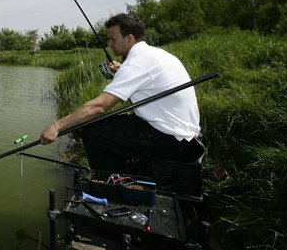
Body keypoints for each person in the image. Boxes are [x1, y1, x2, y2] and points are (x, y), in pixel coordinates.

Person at [40, 13, 202, 175]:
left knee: (91, 130)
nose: (109, 44)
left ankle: (112, 184)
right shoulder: (155, 54)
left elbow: (99, 106)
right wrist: (122, 70)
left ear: (130, 38)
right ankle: (125, 173)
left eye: (113, 39)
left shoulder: (136, 64)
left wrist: (56, 126)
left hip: (169, 138)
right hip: (182, 133)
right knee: (103, 124)